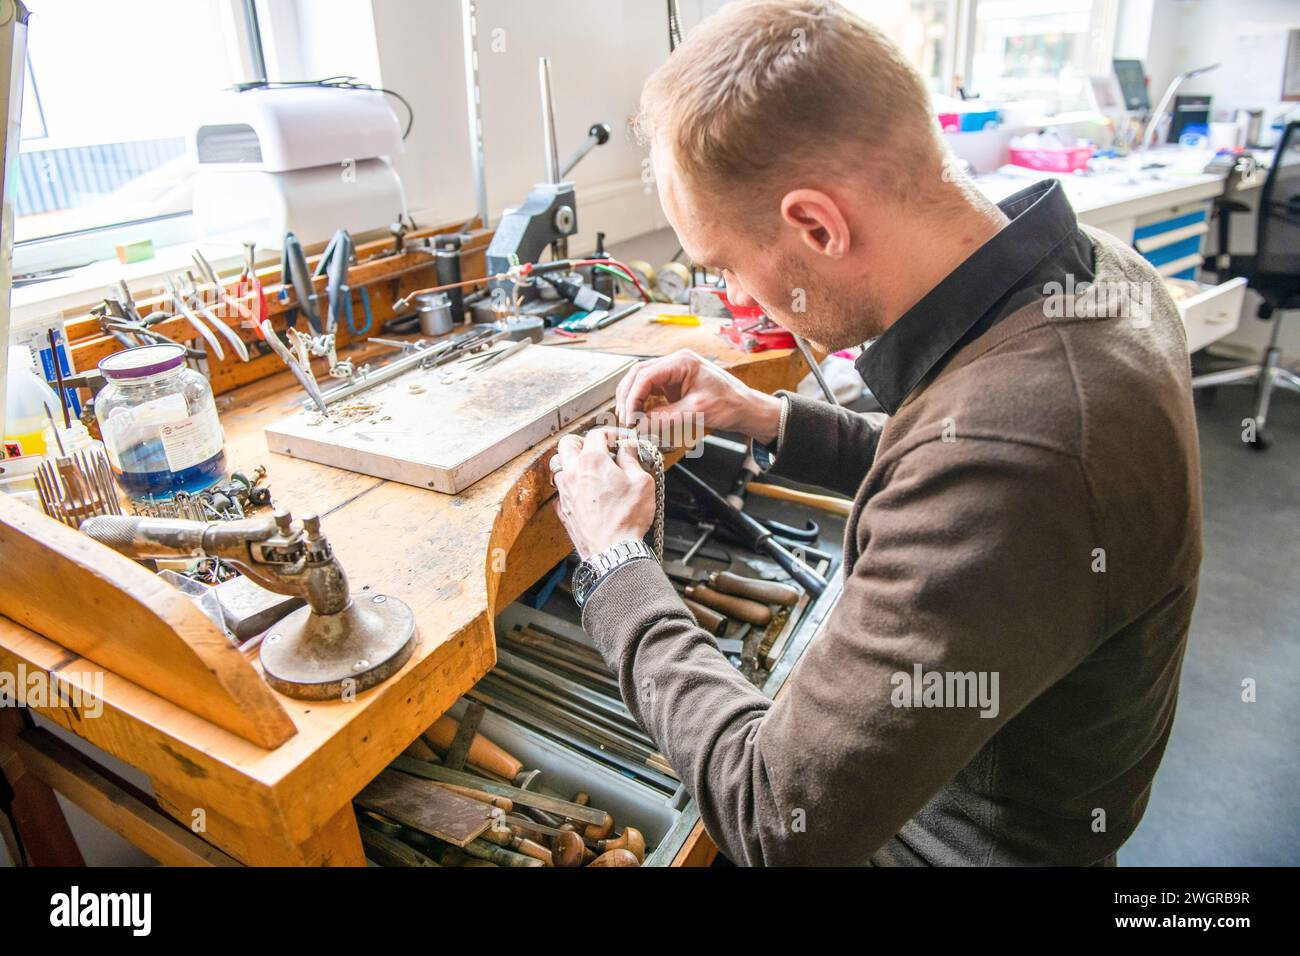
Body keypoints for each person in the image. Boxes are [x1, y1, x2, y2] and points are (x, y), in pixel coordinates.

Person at [549, 0, 1202, 865]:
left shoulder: (1017, 455)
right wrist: (771, 416)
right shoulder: (1100, 273)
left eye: (725, 267)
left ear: (818, 225)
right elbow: (955, 462)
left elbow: (778, 815)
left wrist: (616, 565)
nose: (738, 302)